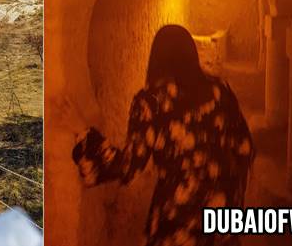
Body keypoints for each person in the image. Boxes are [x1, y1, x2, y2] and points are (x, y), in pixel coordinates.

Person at [72, 25, 255, 246]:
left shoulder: (151, 102)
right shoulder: (219, 90)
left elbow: (128, 166)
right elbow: (245, 148)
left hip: (177, 215)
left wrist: (84, 137)